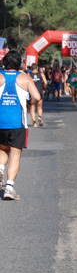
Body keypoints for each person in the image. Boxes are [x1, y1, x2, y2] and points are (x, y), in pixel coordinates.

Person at [0, 50, 41, 200]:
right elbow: (37, 96)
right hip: (17, 123)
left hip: (0, 121)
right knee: (15, 154)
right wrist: (29, 103)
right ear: (19, 64)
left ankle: (0, 169)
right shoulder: (25, 78)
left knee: (2, 150)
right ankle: (9, 187)